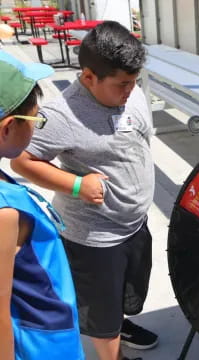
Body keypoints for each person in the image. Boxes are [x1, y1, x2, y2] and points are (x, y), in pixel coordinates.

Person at [11, 21, 157, 360]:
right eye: (123, 84)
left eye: (134, 82)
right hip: (95, 238)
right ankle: (112, 353)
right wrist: (77, 184)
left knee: (124, 295)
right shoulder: (61, 115)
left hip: (134, 223)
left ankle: (118, 329)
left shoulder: (131, 91)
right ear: (89, 77)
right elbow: (22, 160)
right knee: (101, 308)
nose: (131, 91)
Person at [0, 51, 84, 360]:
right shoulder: (5, 212)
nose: (37, 126)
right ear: (8, 127)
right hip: (41, 344)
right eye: (36, 118)